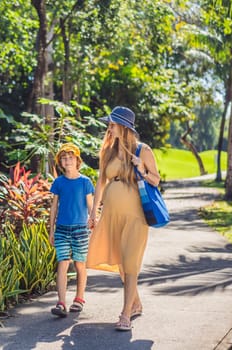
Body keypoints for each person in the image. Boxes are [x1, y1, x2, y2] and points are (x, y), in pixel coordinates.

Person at [86, 106, 161, 331]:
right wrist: (93, 212)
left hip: (135, 216)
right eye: (109, 123)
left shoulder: (142, 150)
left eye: (112, 123)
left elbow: (156, 180)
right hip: (111, 214)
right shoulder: (108, 150)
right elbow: (101, 182)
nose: (109, 127)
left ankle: (125, 313)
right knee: (120, 263)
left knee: (130, 263)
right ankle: (136, 303)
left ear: (124, 127)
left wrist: (142, 169)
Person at [49, 143, 95, 318]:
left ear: (77, 160)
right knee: (62, 263)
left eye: (70, 157)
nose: (67, 161)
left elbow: (91, 206)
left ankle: (79, 298)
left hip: (80, 230)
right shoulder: (58, 182)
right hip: (61, 229)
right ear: (60, 162)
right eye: (64, 158)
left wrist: (94, 220)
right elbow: (54, 208)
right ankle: (61, 302)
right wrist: (51, 230)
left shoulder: (85, 182)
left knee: (79, 264)